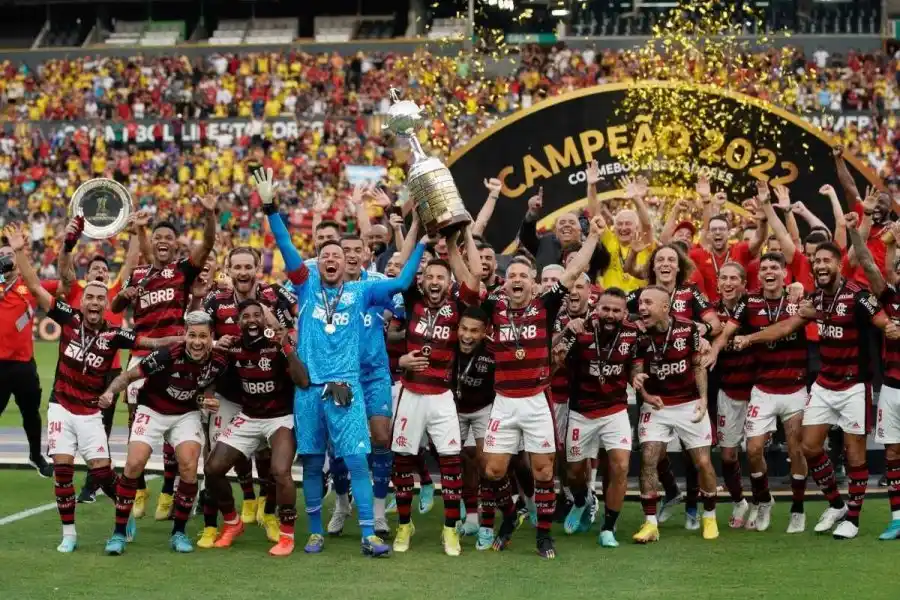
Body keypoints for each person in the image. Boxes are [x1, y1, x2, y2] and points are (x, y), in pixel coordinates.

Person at [258, 166, 424, 557]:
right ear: (318, 263)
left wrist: (423, 243)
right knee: (313, 464)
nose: (332, 259)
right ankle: (314, 531)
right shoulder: (305, 286)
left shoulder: (362, 291)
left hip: (346, 389)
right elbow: (284, 245)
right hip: (309, 390)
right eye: (326, 255)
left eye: (338, 255)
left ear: (348, 262)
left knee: (357, 461)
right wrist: (270, 208)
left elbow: (400, 285)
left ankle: (369, 534)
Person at [4, 224, 174, 552]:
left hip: (91, 411)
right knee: (64, 468)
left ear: (106, 304)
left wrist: (184, 338)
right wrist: (21, 251)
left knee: (102, 472)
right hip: (61, 406)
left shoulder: (115, 334)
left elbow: (152, 341)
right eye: (91, 298)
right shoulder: (67, 318)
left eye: (100, 298)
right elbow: (37, 287)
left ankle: (124, 515)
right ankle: (69, 534)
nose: (95, 302)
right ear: (83, 303)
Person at [456, 215, 605, 559]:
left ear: (535, 282)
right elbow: (471, 276)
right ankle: (509, 515)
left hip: (537, 401)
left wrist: (594, 236)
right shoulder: (493, 306)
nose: (517, 280)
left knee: (544, 472)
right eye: (512, 276)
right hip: (504, 402)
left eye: (524, 275)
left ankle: (543, 537)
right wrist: (464, 236)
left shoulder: (546, 304)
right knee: (492, 470)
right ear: (504, 283)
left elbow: (573, 271)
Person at [736, 241, 899, 540]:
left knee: (855, 456)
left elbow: (884, 323)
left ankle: (852, 518)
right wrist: (750, 339)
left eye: (826, 260)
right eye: (816, 261)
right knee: (808, 447)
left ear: (838, 264)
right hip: (824, 382)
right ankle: (836, 503)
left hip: (854, 385)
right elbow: (785, 327)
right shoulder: (815, 300)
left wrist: (890, 327)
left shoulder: (857, 297)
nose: (820, 265)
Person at [111, 195, 217, 520]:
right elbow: (114, 309)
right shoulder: (138, 274)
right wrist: (123, 297)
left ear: (175, 246)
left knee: (175, 420)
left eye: (168, 239)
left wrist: (210, 214)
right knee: (136, 422)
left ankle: (169, 492)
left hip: (175, 356)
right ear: (150, 243)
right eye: (157, 237)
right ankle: (140, 488)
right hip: (141, 355)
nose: (163, 242)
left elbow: (209, 244)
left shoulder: (183, 270)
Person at [98, 311, 230, 555]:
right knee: (134, 463)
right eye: (192, 336)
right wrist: (109, 393)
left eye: (203, 336)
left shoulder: (219, 362)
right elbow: (128, 376)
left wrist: (207, 399)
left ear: (211, 336)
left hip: (186, 414)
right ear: (184, 335)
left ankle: (178, 532)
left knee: (189, 467)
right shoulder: (166, 355)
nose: (197, 342)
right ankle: (118, 533)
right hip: (152, 409)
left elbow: (205, 386)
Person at [390, 225, 481, 556]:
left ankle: (450, 530)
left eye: (441, 278)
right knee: (402, 463)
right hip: (411, 394)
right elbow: (403, 271)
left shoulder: (459, 307)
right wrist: (417, 231)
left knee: (450, 463)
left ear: (448, 283)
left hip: (442, 397)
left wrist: (458, 241)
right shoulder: (411, 297)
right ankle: (403, 526)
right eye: (429, 276)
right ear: (423, 280)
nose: (434, 282)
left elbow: (474, 281)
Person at [199, 246, 297, 546]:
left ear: (257, 268)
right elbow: (199, 336)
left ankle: (270, 514)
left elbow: (293, 333)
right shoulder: (215, 299)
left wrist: (274, 325)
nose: (242, 272)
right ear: (228, 269)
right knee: (217, 460)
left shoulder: (275, 296)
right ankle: (225, 520)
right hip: (230, 393)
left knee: (271, 462)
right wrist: (216, 342)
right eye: (237, 267)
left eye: (248, 267)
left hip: (272, 397)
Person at [204, 300, 309, 556]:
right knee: (212, 468)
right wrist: (217, 348)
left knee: (280, 471)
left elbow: (303, 381)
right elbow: (211, 374)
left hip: (280, 418)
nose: (252, 320)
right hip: (248, 417)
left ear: (265, 320)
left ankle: (286, 535)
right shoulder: (233, 347)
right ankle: (232, 523)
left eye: (257, 315)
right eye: (246, 316)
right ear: (238, 323)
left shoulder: (277, 344)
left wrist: (286, 347)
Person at [325, 233, 402, 539]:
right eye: (346, 250)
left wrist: (389, 318)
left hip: (375, 373)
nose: (353, 255)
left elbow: (400, 313)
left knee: (382, 438)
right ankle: (342, 504)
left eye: (359, 250)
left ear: (368, 253)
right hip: (341, 375)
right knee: (342, 445)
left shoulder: (377, 282)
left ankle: (380, 512)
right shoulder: (325, 290)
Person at [631, 285, 719, 543]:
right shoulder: (637, 333)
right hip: (657, 405)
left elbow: (697, 365)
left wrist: (703, 399)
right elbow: (635, 370)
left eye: (648, 303)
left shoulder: (688, 328)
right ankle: (650, 524)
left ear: (665, 308)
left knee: (703, 462)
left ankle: (710, 516)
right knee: (648, 458)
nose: (642, 308)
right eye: (641, 303)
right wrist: (644, 394)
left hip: (688, 402)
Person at [558, 287, 637, 548]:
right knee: (574, 473)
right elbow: (552, 356)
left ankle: (608, 527)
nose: (610, 315)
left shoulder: (633, 333)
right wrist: (567, 332)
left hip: (615, 410)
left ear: (625, 313)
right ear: (596, 308)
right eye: (606, 309)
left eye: (616, 310)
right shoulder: (581, 332)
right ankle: (582, 501)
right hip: (582, 412)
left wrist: (637, 375)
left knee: (620, 467)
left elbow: (638, 361)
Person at [0, 226, 54, 477]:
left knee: (31, 413)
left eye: (9, 255)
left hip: (23, 364)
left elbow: (63, 285)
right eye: (1, 255)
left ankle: (35, 455)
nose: (5, 260)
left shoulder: (30, 287)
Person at [449, 305, 496, 549]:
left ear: (485, 332)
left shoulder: (494, 351)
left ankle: (488, 525)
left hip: (484, 410)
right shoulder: (447, 345)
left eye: (474, 331)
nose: (467, 336)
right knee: (458, 462)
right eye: (464, 329)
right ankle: (471, 518)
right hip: (453, 409)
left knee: (486, 465)